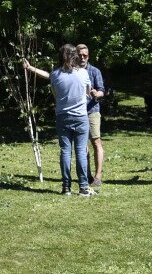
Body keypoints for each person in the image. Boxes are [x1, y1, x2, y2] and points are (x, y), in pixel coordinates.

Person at [25, 45, 96, 196]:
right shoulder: (83, 73)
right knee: (81, 152)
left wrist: (30, 68)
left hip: (62, 117)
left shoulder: (56, 75)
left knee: (65, 151)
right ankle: (83, 188)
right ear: (75, 56)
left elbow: (54, 92)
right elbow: (88, 93)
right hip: (80, 117)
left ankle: (66, 188)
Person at [77, 44, 107, 187]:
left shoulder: (94, 71)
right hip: (77, 112)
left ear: (88, 56)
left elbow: (102, 90)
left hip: (92, 111)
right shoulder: (72, 71)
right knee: (82, 145)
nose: (82, 58)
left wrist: (97, 94)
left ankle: (98, 176)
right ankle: (86, 174)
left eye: (85, 55)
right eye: (80, 55)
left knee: (96, 142)